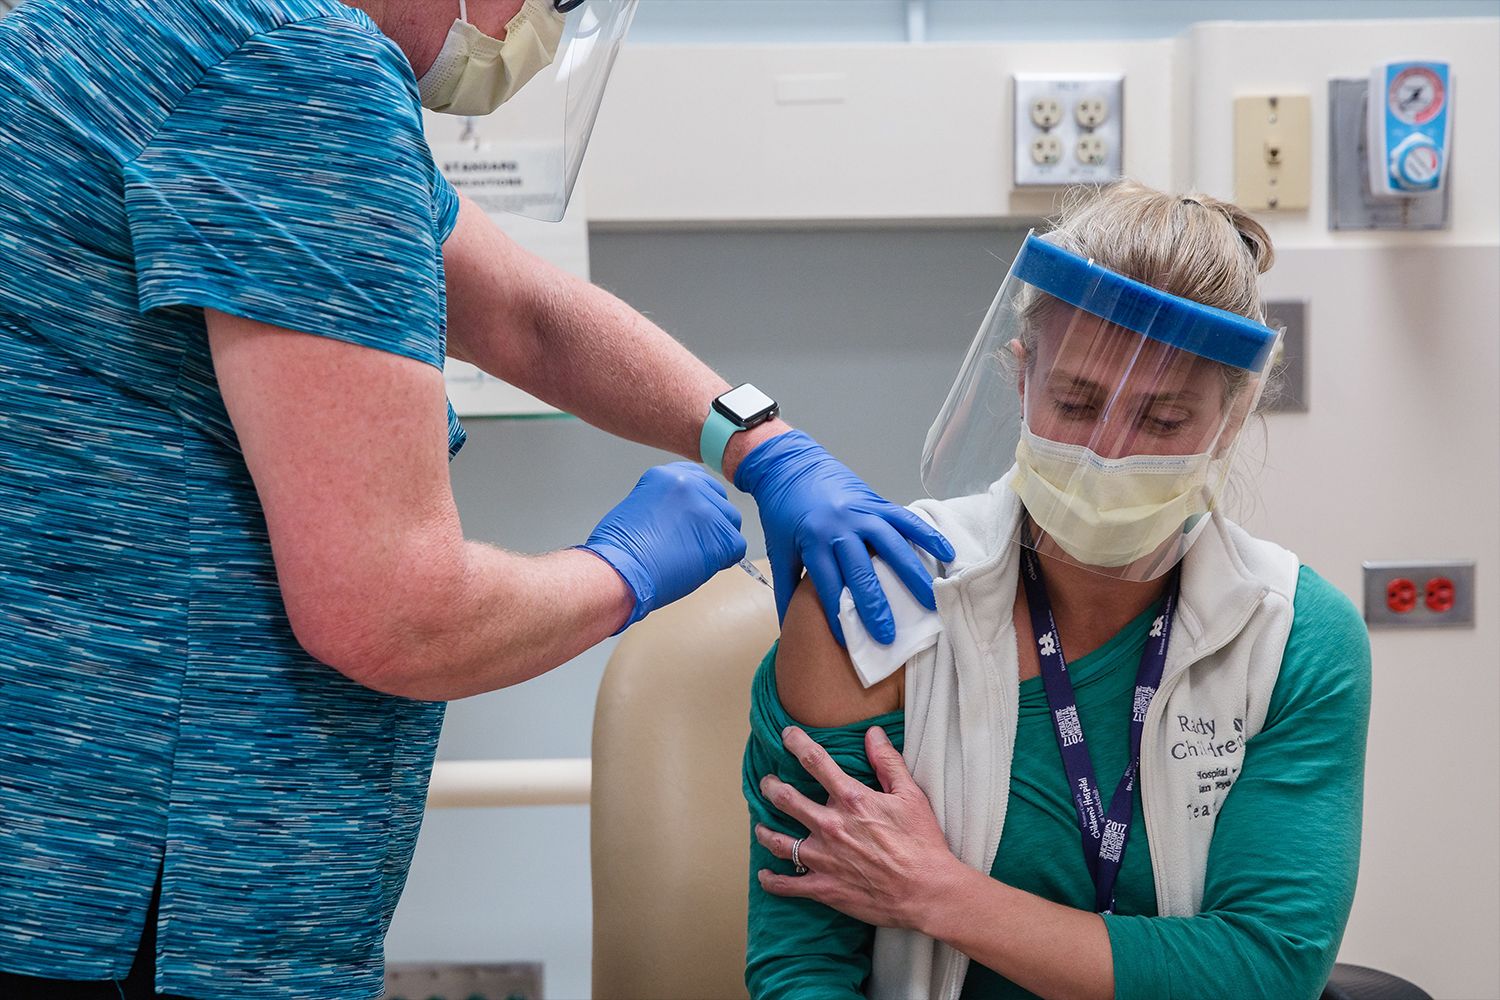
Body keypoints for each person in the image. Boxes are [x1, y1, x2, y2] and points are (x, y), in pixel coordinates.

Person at [0, 1, 953, 997]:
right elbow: (393, 615)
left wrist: (757, 441)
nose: (541, 24)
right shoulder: (291, 71)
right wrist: (624, 568)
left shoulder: (132, 30)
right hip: (122, 895)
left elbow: (523, 314)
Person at [744, 181, 1372, 1000]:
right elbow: (803, 968)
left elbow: (1266, 968)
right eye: (1075, 402)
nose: (1108, 452)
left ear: (1232, 413)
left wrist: (941, 895)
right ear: (1019, 377)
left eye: (1163, 419)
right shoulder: (877, 596)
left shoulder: (1289, 637)